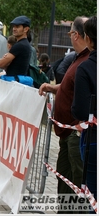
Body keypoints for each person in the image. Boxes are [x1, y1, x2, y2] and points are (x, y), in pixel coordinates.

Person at [38, 16, 90, 214]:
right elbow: (69, 85)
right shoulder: (79, 58)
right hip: (67, 132)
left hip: (77, 133)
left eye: (70, 33)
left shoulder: (89, 60)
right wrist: (53, 88)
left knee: (78, 179)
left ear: (75, 35)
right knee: (64, 177)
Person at [71, 16, 97, 206]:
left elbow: (80, 110)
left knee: (93, 195)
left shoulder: (86, 67)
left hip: (93, 140)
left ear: (87, 39)